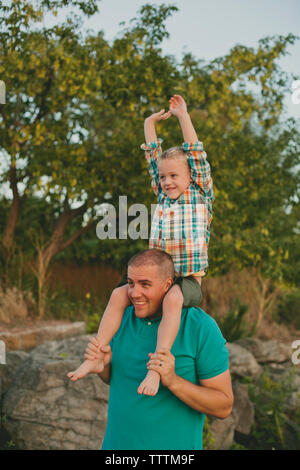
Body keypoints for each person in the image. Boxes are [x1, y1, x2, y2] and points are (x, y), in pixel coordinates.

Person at [68, 95, 214, 397]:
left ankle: (157, 367)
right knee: (118, 294)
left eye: (174, 176)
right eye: (163, 177)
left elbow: (195, 153)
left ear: (191, 177)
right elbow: (153, 158)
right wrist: (149, 124)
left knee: (173, 301)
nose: (167, 181)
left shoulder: (199, 193)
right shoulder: (161, 195)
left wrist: (183, 116)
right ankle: (97, 355)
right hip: (154, 273)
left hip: (186, 279)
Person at [83, 249, 233, 451]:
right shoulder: (120, 318)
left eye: (145, 284)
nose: (135, 293)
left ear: (168, 285)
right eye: (131, 283)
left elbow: (223, 406)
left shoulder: (200, 327)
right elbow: (116, 380)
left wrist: (173, 381)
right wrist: (104, 366)